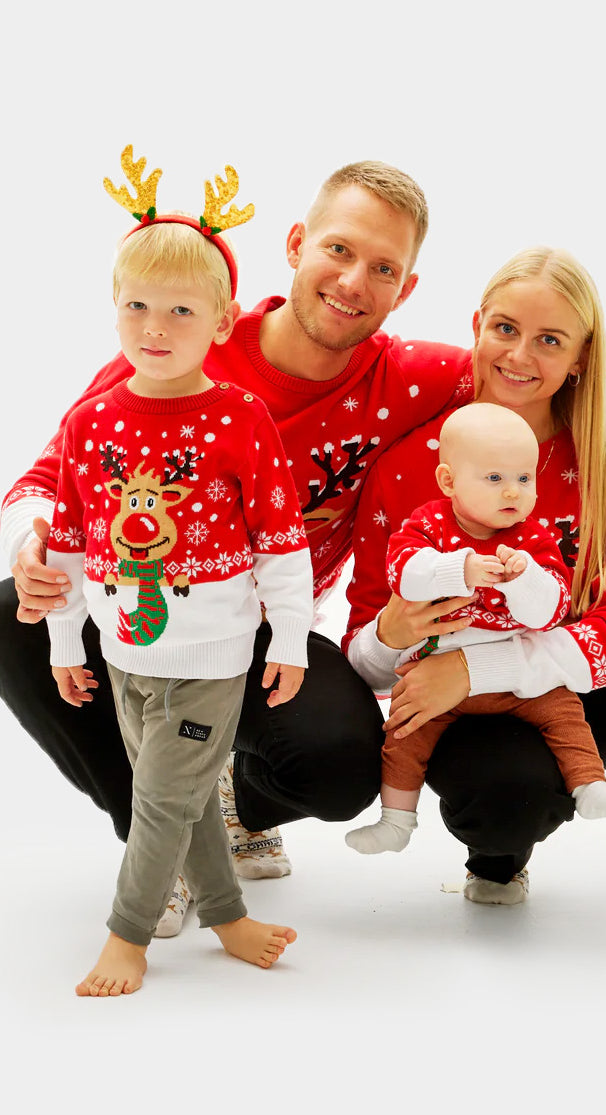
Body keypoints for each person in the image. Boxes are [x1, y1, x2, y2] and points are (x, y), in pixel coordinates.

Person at [0, 157, 606, 935]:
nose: (354, 281)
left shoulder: (413, 378)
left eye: (383, 267)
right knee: (9, 611)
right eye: (339, 250)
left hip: (260, 624)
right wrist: (31, 543)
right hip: (139, 602)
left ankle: (227, 805)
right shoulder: (183, 346)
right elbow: (46, 476)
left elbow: (550, 367)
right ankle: (162, 847)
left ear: (407, 290)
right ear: (295, 244)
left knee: (339, 763)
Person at [343, 246, 606, 946]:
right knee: (504, 801)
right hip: (464, 713)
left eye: (548, 340)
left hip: (583, 689)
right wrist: (396, 633)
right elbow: (366, 666)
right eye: (503, 329)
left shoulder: (605, 464)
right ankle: (498, 855)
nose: (519, 356)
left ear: (581, 359)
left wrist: (480, 666)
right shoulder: (412, 467)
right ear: (475, 326)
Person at [46, 153, 312, 995]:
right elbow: (70, 543)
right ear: (113, 309)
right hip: (126, 652)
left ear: (222, 321)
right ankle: (227, 915)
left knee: (158, 797)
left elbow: (280, 539)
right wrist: (64, 642)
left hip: (214, 656)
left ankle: (129, 937)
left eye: (180, 310)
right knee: (190, 796)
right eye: (137, 306)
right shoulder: (89, 422)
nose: (154, 327)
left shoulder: (240, 417)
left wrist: (291, 639)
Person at [345, 403, 606, 855]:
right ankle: (396, 819)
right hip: (435, 678)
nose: (513, 493)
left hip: (514, 682)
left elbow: (550, 612)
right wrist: (458, 569)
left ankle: (589, 786)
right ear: (449, 481)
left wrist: (527, 578)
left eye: (524, 479)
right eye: (495, 479)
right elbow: (403, 572)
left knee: (565, 713)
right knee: (403, 735)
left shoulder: (533, 537)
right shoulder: (428, 525)